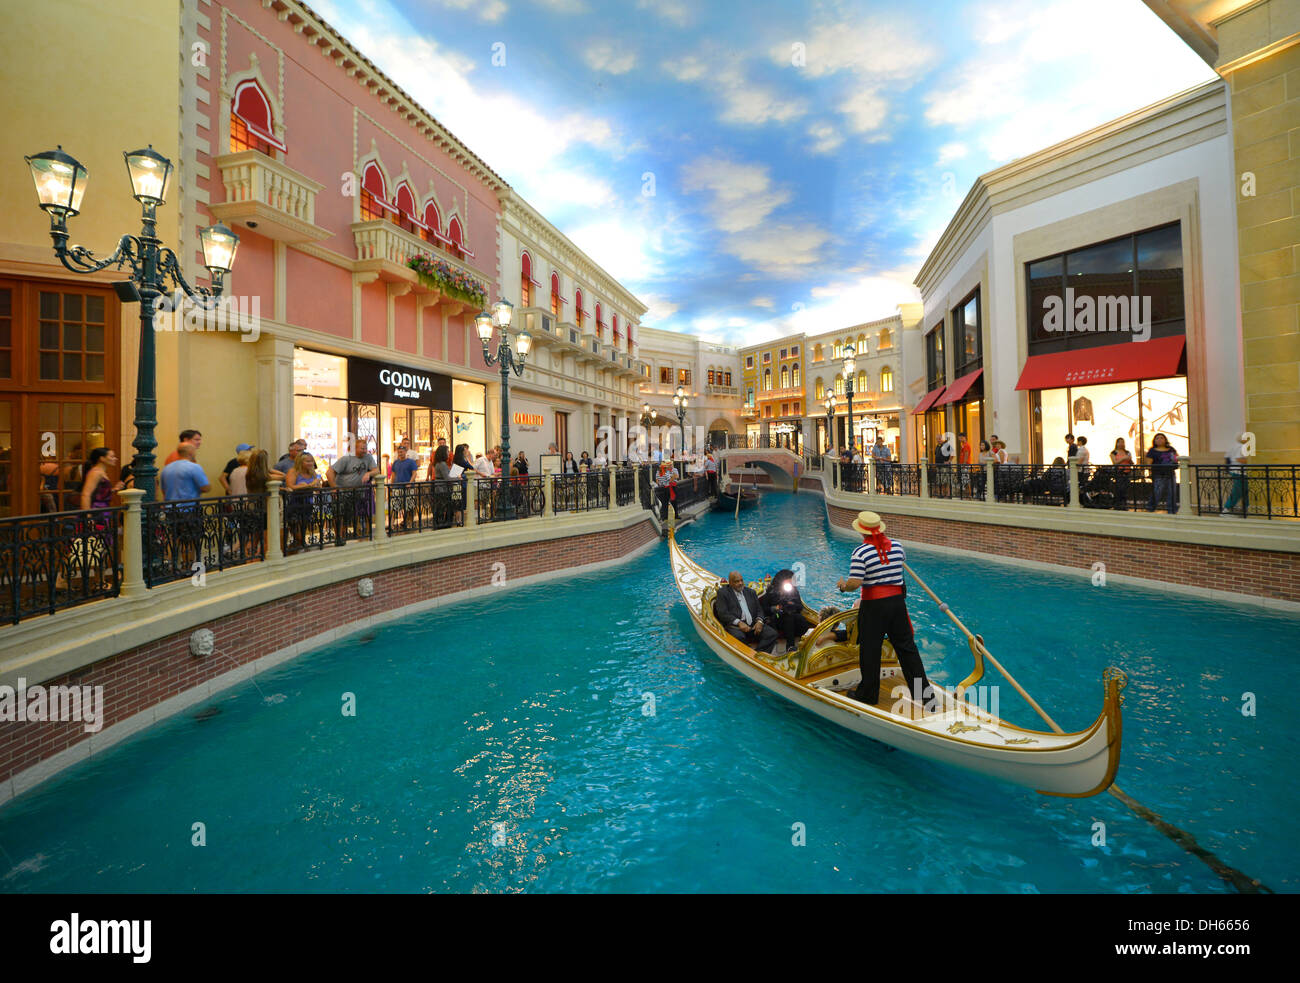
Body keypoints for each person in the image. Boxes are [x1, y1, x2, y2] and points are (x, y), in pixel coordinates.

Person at [836, 511, 934, 712]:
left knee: (870, 649)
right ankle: (926, 697)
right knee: (907, 648)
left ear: (862, 532)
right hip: (897, 604)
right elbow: (897, 564)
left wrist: (843, 586)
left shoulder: (860, 552)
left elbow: (856, 583)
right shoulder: (898, 546)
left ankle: (868, 694)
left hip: (874, 606)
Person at [714, 571, 780, 653]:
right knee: (739, 637)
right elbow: (723, 613)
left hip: (753, 625)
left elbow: (759, 610)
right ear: (730, 583)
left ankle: (759, 656)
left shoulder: (751, 592)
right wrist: (739, 622)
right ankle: (747, 654)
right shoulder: (723, 593)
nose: (740, 583)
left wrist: (759, 621)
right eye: (737, 581)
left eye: (741, 580)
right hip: (736, 627)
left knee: (772, 634)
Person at [761, 569, 807, 655]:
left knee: (798, 619)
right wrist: (775, 608)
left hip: (792, 617)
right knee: (788, 617)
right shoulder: (771, 591)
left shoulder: (794, 591)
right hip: (776, 619)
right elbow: (764, 608)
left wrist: (792, 605)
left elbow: (800, 607)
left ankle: (804, 644)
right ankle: (790, 646)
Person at [79, 447, 124, 512]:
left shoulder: (101, 472)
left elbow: (99, 493)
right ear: (102, 458)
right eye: (112, 457)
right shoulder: (96, 472)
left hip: (103, 510)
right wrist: (88, 516)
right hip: (96, 510)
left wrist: (114, 489)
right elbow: (86, 494)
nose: (115, 459)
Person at [1145, 433, 1179, 514]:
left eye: (1161, 438)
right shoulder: (1152, 451)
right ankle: (1151, 507)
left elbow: (1176, 458)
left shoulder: (1171, 449)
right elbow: (1148, 462)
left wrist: (1175, 461)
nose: (1159, 439)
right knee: (1157, 491)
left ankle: (1172, 509)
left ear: (1165, 440)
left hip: (1170, 473)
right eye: (1157, 438)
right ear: (1154, 440)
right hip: (1158, 474)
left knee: (1172, 492)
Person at [1221, 435, 1250, 515]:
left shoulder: (1233, 446)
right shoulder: (1241, 447)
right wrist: (1251, 461)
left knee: (1245, 490)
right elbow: (1239, 458)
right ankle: (1227, 508)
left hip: (1236, 471)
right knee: (1238, 490)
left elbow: (1227, 457)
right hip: (1239, 472)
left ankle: (1247, 506)